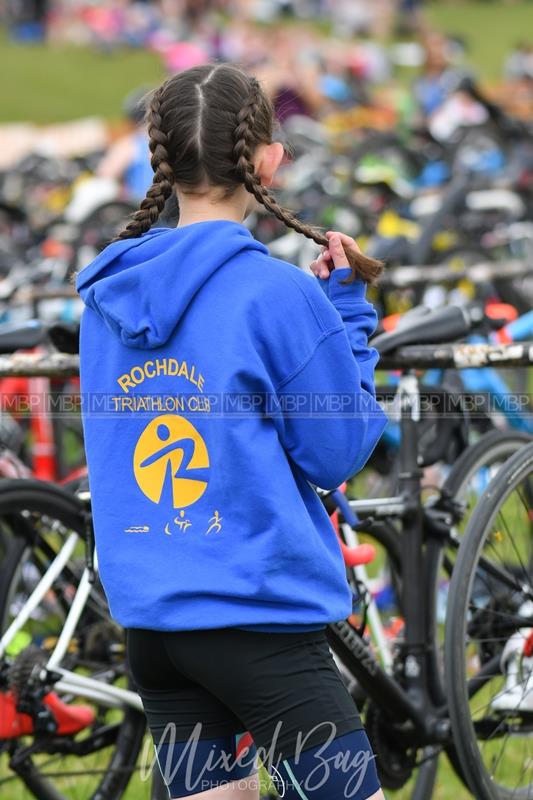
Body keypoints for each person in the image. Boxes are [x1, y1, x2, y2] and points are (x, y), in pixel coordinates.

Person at [76, 63, 387, 800]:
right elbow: (336, 450)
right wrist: (347, 316)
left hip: (156, 624)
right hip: (259, 619)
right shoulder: (277, 292)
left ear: (162, 155)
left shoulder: (106, 297)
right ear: (268, 157)